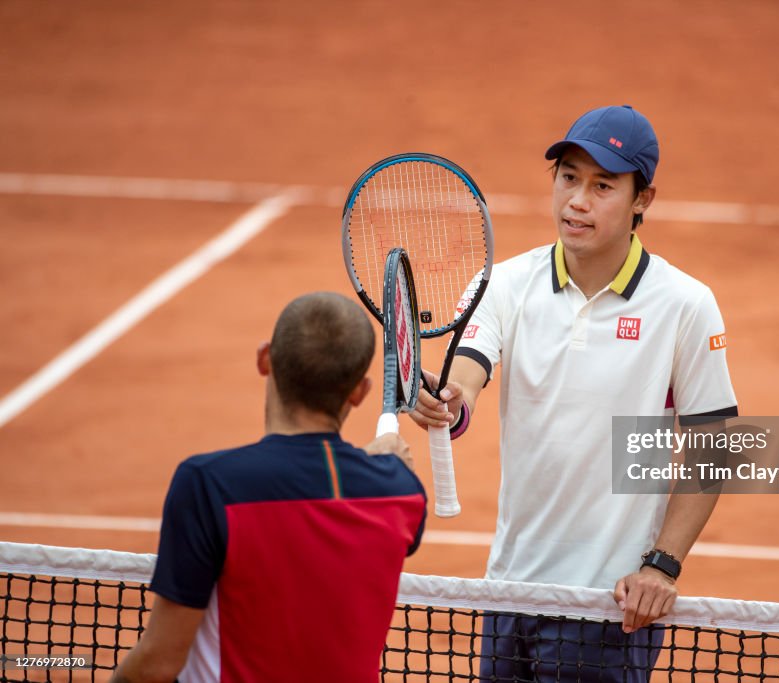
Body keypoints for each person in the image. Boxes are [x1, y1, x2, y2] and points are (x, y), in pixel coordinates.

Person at [412, 105, 737, 681]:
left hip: (608, 608)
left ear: (643, 200)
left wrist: (662, 567)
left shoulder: (684, 304)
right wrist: (449, 401)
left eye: (602, 185)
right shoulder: (506, 284)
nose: (577, 201)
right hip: (509, 591)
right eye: (568, 178)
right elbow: (468, 373)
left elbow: (716, 442)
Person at [112, 292, 427, 683]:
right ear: (359, 393)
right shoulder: (400, 493)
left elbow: (158, 663)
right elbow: (337, 497)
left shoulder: (208, 485)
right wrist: (383, 466)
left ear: (265, 359)